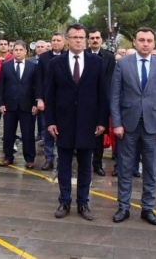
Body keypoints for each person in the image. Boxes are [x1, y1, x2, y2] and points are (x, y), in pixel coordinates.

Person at [110, 27, 156, 226]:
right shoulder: (123, 64)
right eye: (141, 40)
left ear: (154, 43)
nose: (145, 43)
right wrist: (117, 123)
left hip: (153, 127)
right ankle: (123, 207)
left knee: (151, 170)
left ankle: (148, 208)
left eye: (149, 40)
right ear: (135, 42)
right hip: (127, 127)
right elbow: (115, 96)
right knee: (125, 168)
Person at [46, 24, 108, 221]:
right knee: (63, 164)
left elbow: (102, 95)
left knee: (85, 165)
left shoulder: (97, 63)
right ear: (67, 39)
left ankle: (83, 202)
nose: (79, 40)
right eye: (74, 37)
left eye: (82, 37)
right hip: (63, 122)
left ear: (87, 39)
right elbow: (50, 94)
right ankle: (64, 200)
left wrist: (101, 121)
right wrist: (50, 121)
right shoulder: (56, 63)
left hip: (88, 123)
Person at [0, 40, 41, 169]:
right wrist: (0, 103)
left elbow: (37, 86)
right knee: (8, 133)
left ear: (25, 51)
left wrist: (35, 103)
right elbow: (1, 86)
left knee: (28, 133)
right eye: (16, 50)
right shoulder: (6, 66)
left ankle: (29, 158)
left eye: (20, 50)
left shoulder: (33, 66)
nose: (18, 52)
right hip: (10, 105)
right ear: (13, 51)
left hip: (27, 106)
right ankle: (8, 157)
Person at [35, 32, 66, 170]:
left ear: (64, 42)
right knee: (47, 131)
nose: (56, 42)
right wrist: (40, 99)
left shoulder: (68, 56)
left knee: (63, 132)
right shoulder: (44, 58)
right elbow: (39, 80)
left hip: (64, 102)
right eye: (53, 40)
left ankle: (63, 158)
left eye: (58, 40)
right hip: (48, 101)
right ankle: (49, 158)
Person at [87, 28, 116, 176]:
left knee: (99, 133)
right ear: (88, 40)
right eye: (92, 38)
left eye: (97, 38)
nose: (94, 40)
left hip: (101, 101)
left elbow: (110, 79)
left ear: (101, 40)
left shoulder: (108, 57)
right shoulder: (83, 55)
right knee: (84, 133)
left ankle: (97, 163)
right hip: (85, 101)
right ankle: (84, 163)